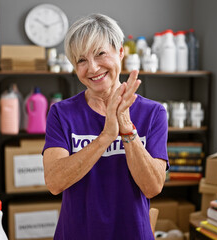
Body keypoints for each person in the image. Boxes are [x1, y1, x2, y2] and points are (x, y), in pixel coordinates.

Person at [43, 13, 169, 240]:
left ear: (120, 52)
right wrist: (106, 136)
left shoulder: (153, 113)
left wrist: (125, 126)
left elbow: (152, 187)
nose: (92, 68)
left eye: (100, 54)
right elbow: (54, 182)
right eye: (81, 60)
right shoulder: (61, 113)